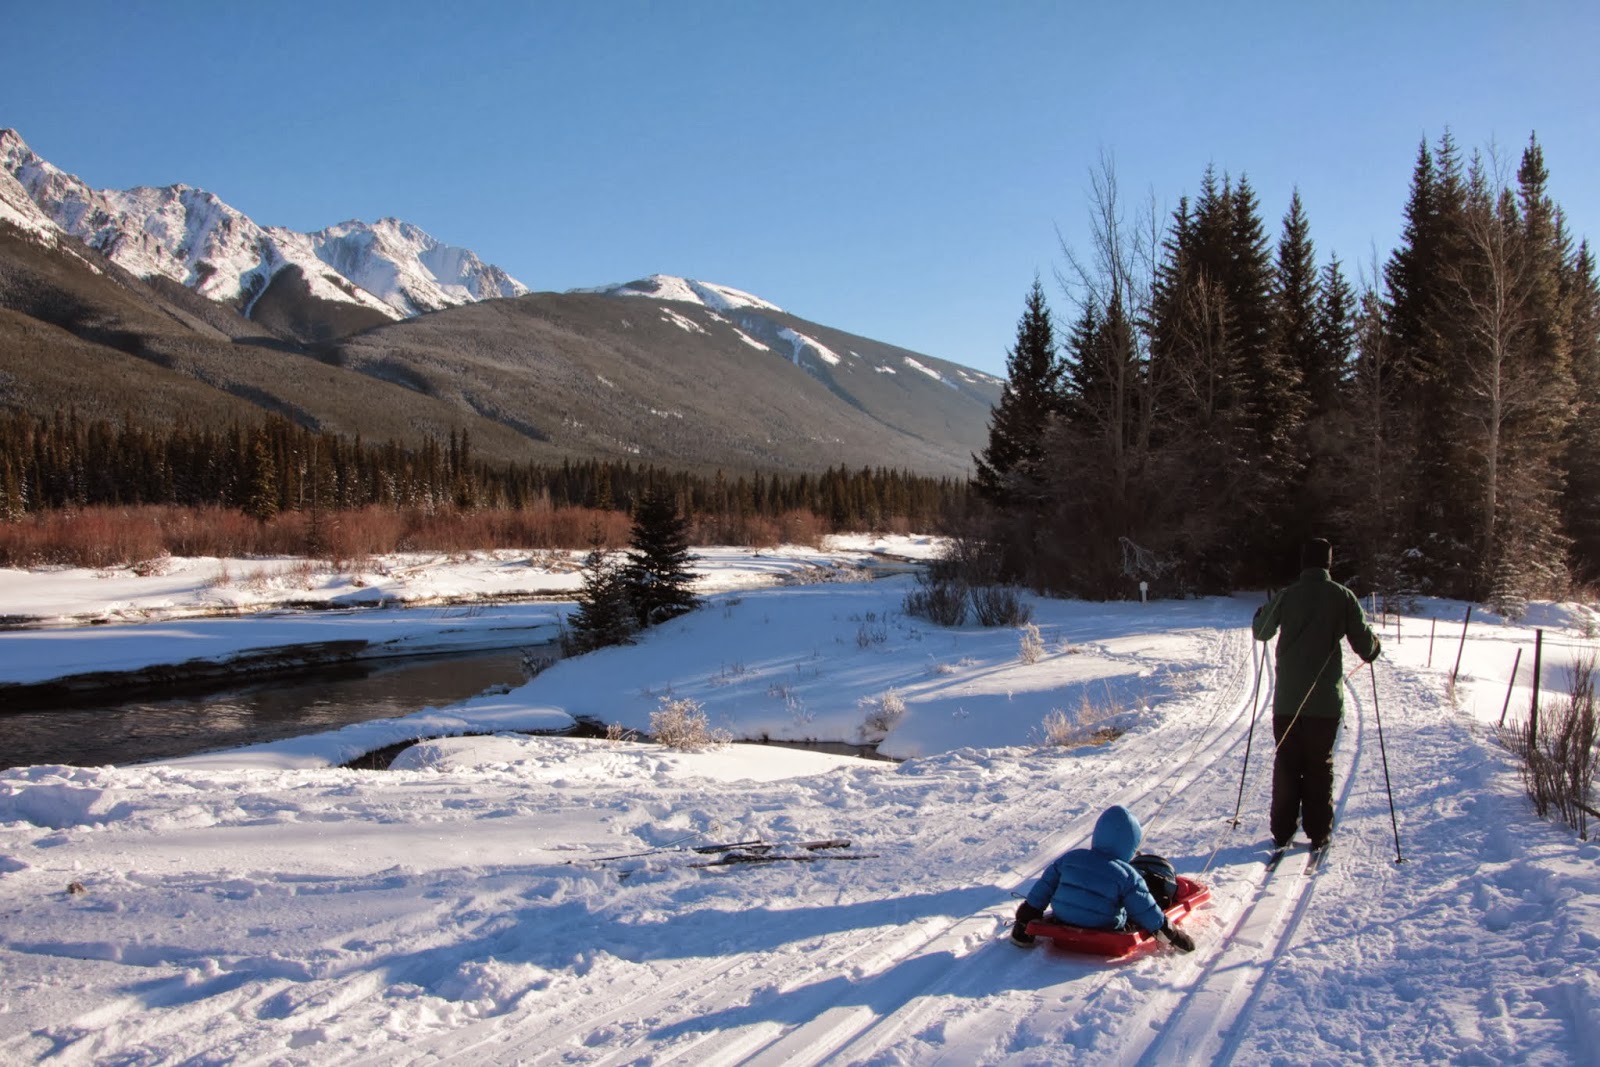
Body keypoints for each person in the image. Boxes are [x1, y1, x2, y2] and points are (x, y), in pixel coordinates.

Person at [1251, 538, 1381, 851]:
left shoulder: (1288, 595)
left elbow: (1261, 631)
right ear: (1328, 563)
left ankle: (1282, 831)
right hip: (1324, 703)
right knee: (1319, 764)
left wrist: (1261, 613)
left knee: (1287, 762)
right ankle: (1318, 831)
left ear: (1303, 563)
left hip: (1287, 702)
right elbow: (1366, 648)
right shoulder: (1342, 596)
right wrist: (1375, 646)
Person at [1010, 805, 1195, 952]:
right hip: (1106, 927)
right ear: (1130, 845)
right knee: (1133, 910)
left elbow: (1041, 891)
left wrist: (1024, 922)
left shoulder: (1071, 858)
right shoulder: (1128, 874)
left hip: (1063, 919)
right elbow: (1146, 911)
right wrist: (1174, 936)